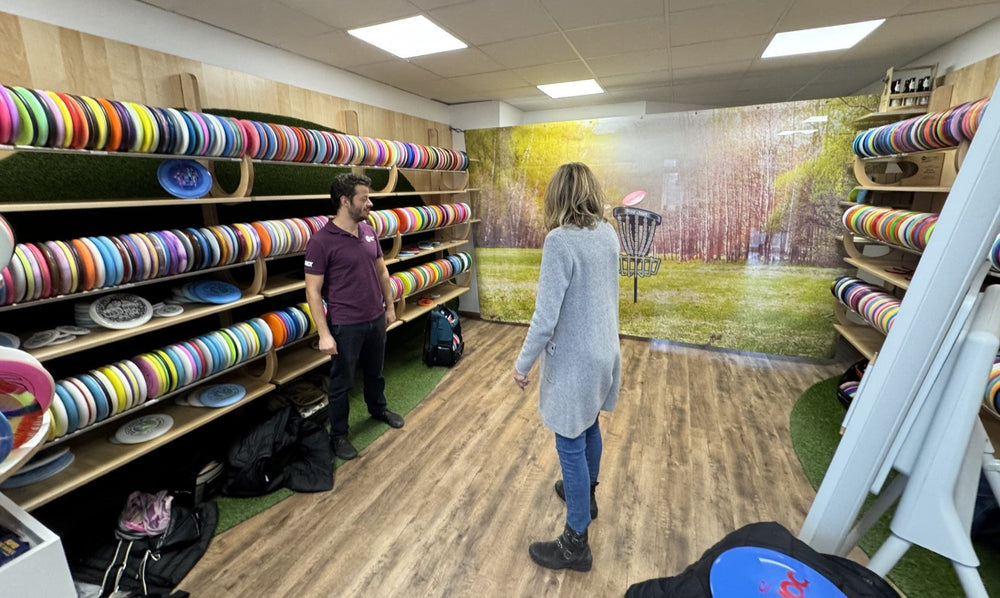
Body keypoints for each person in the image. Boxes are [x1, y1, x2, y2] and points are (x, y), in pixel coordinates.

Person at [513, 162, 621, 572]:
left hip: (577, 360)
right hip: (605, 353)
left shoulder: (559, 241)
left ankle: (576, 542)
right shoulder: (607, 233)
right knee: (589, 424)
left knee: (569, 443)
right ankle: (587, 496)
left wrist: (522, 364)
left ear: (557, 196)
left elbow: (545, 317)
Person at [304, 172, 404, 461]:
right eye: (364, 199)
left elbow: (382, 271)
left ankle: (378, 409)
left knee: (375, 372)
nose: (369, 204)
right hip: (345, 325)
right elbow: (313, 292)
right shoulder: (321, 242)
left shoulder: (369, 231)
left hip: (375, 318)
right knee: (342, 383)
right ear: (345, 201)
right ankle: (338, 435)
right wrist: (324, 334)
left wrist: (390, 306)